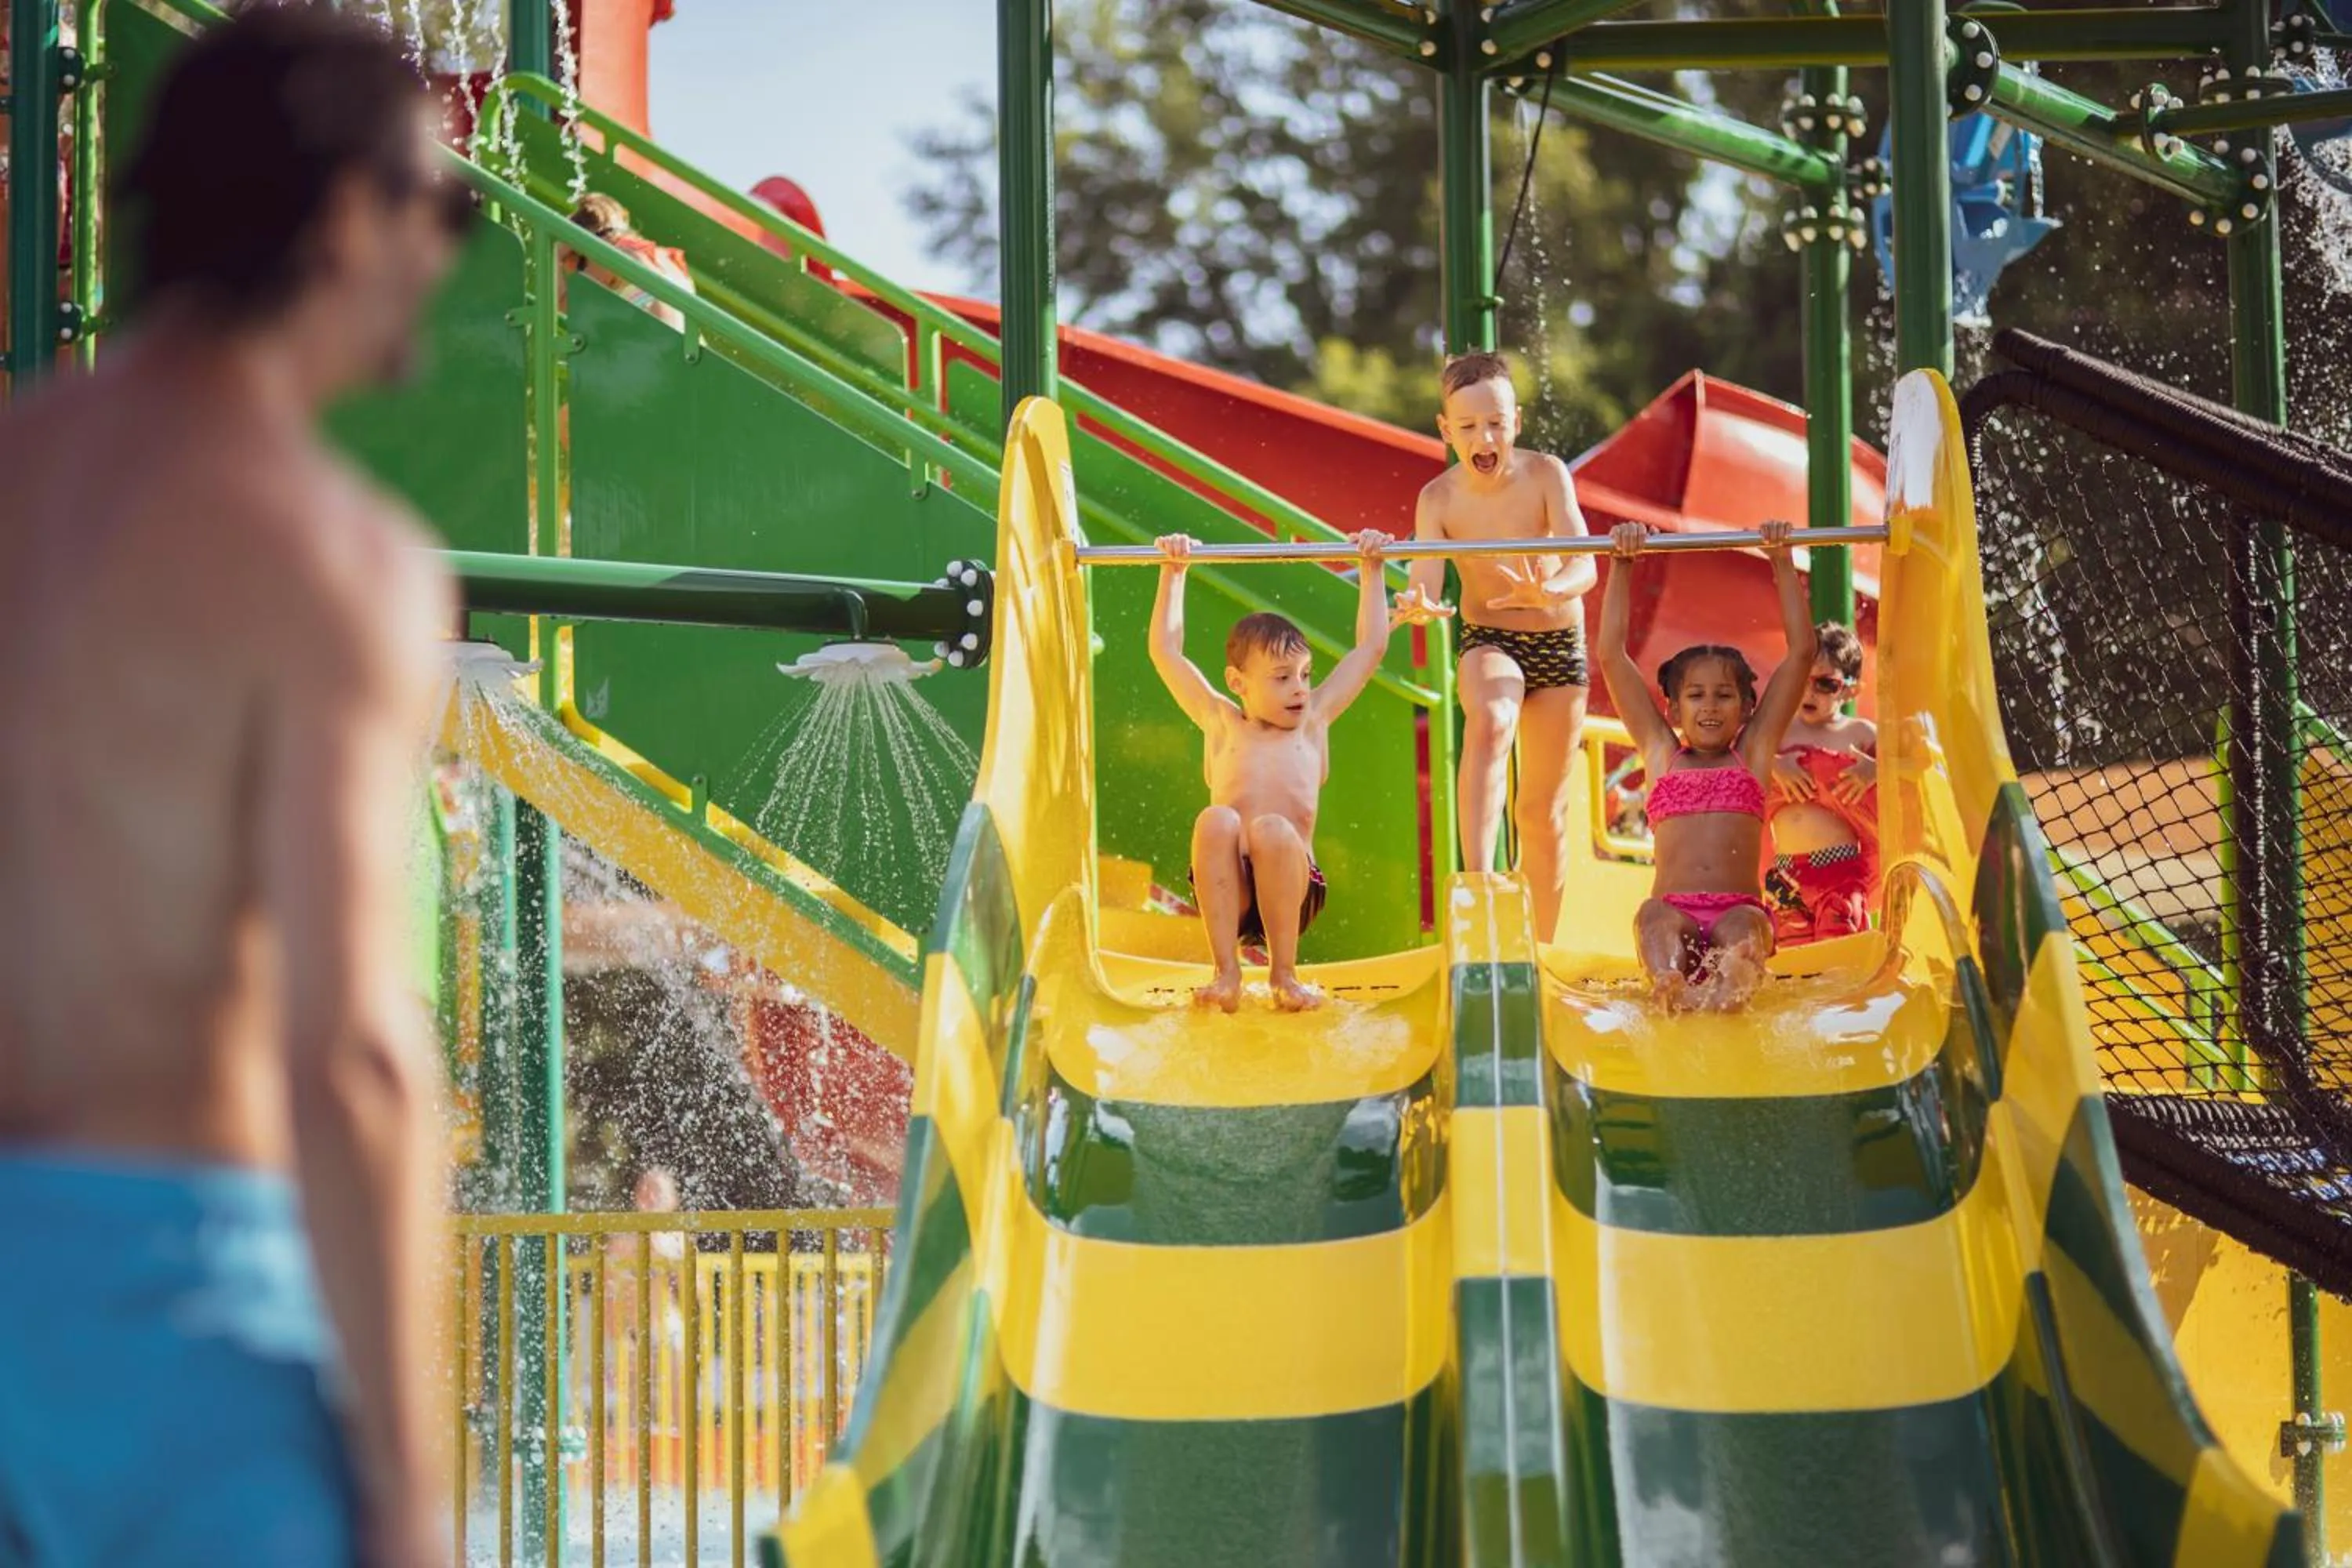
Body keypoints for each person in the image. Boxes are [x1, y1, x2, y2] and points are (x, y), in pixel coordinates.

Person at [0, 9, 468, 1565]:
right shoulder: (339, 564)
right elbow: (349, 1055)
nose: (449, 253)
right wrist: (411, 1497)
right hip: (190, 1304)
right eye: (442, 206)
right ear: (347, 216)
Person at [1151, 529, 1401, 1012]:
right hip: (1230, 891)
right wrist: (1174, 571)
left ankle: (1284, 974)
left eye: (1305, 675)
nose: (1300, 690)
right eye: (1283, 679)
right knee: (1216, 820)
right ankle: (1226, 972)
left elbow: (1370, 648)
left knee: (1270, 829)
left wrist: (1372, 569)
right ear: (1238, 683)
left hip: (1293, 887)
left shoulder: (1314, 722)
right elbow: (1166, 652)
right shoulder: (1221, 721)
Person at [1394, 350, 1595, 946]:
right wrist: (1420, 604)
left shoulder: (1546, 474)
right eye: (1469, 426)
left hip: (1559, 644)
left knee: (1540, 814)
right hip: (1490, 639)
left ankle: (1543, 950)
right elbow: (1426, 580)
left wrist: (1549, 586)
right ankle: (1477, 883)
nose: (1485, 438)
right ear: (1445, 429)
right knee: (1492, 716)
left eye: (1497, 424)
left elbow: (1585, 563)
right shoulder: (1439, 498)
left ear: (1518, 421)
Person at [1596, 520, 1816, 1011]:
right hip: (1673, 912)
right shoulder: (1660, 752)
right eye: (1695, 696)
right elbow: (1611, 655)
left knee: (1747, 929)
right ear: (1674, 709)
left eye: (1724, 696)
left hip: (1735, 909)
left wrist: (1781, 560)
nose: (1710, 707)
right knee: (1651, 916)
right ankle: (1667, 981)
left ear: (1747, 709)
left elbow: (1802, 654)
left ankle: (1729, 987)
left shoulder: (1753, 753)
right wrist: (1622, 563)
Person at [1765, 621, 1878, 945]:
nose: (1809, 691)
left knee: (1839, 960)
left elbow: (1904, 776)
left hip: (1839, 874)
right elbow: (1742, 762)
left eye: (1825, 684)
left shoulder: (1860, 734)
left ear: (1851, 689)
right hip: (1785, 874)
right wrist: (1775, 765)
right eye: (1803, 679)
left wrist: (1875, 770)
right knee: (1789, 963)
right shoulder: (1778, 730)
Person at [568, 191, 695, 331]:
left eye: (581, 265)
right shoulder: (655, 259)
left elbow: (671, 317)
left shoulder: (627, 253)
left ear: (593, 247)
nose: (583, 273)